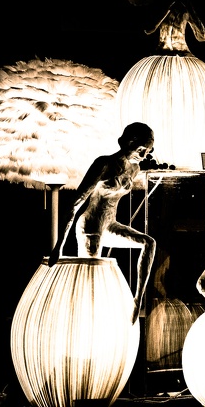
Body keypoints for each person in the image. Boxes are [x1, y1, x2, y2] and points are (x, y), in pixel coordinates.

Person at [48, 122, 157, 324]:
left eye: (148, 151)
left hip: (110, 224)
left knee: (149, 243)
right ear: (126, 143)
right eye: (141, 150)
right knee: (91, 277)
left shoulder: (135, 168)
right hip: (90, 227)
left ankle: (137, 300)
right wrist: (58, 247)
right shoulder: (104, 164)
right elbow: (74, 204)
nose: (143, 155)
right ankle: (81, 320)